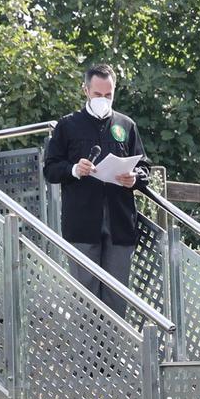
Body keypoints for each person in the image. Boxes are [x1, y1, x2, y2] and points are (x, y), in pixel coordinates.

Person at [41, 63, 148, 313]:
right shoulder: (67, 126)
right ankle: (86, 352)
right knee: (84, 298)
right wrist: (74, 170)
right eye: (98, 94)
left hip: (120, 224)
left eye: (108, 95)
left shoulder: (127, 125)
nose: (103, 99)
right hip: (82, 225)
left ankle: (113, 350)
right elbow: (50, 169)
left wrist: (134, 178)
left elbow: (144, 167)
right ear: (86, 91)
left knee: (117, 297)